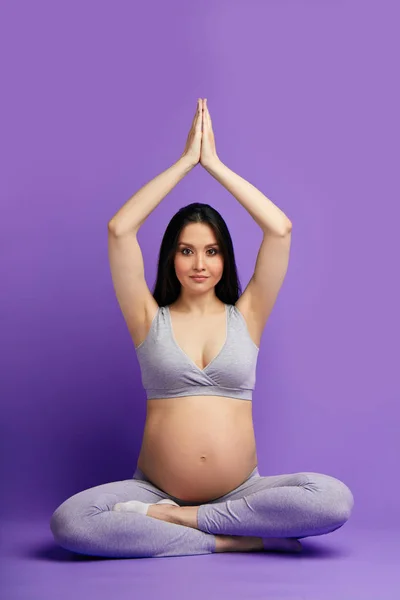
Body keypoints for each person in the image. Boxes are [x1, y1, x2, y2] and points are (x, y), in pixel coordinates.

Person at [50, 98, 354, 558]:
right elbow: (119, 229)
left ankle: (185, 524)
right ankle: (225, 541)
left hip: (240, 494)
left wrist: (213, 165)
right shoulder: (148, 319)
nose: (199, 263)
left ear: (225, 257)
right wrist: (183, 163)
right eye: (187, 250)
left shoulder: (248, 315)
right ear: (171, 256)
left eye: (211, 251)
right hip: (154, 492)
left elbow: (280, 230)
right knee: (71, 522)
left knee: (333, 499)